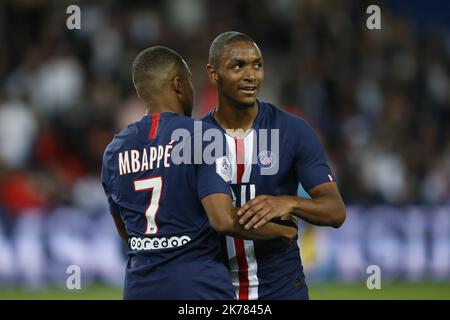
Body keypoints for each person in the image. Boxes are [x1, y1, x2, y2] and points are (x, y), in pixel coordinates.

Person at [101, 46, 297, 299]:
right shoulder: (201, 136)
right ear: (178, 84)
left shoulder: (114, 151)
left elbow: (126, 232)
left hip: (140, 286)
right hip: (199, 287)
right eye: (191, 80)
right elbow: (223, 220)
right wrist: (280, 230)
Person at [202, 32, 346, 300]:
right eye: (238, 66)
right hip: (214, 292)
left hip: (281, 290)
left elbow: (335, 211)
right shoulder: (194, 138)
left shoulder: (293, 130)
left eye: (257, 65)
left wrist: (290, 202)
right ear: (213, 74)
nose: (251, 75)